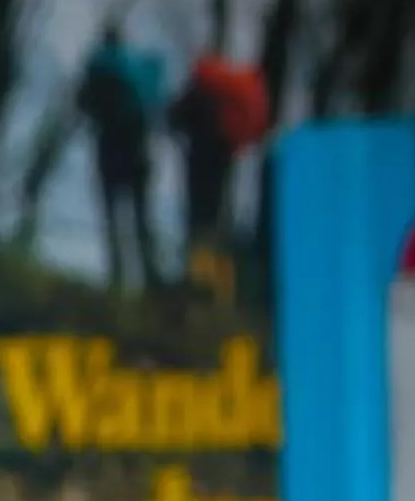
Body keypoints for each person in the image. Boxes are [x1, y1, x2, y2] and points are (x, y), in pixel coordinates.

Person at [170, 47, 271, 297]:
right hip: (223, 161)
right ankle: (221, 286)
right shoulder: (225, 99)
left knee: (199, 222)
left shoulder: (200, 90)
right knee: (215, 220)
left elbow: (175, 117)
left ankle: (201, 282)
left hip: (199, 163)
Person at [74, 24, 166, 292]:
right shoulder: (137, 70)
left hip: (109, 149)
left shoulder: (98, 68)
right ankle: (151, 278)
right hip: (139, 150)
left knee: (112, 215)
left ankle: (116, 278)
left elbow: (82, 104)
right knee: (143, 217)